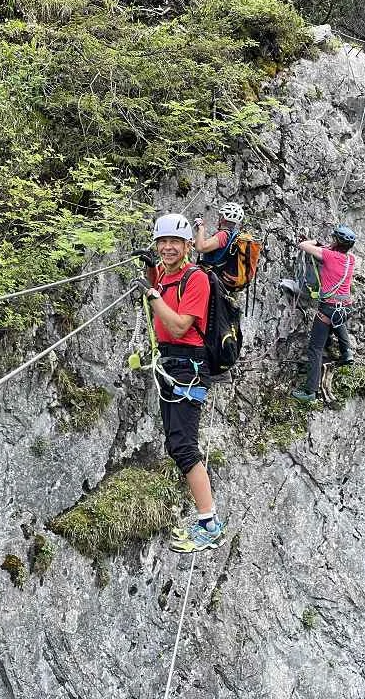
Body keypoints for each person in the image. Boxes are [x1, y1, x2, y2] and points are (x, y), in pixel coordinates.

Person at [133, 213, 226, 553]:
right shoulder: (166, 275)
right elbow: (160, 285)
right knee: (175, 445)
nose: (168, 247)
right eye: (162, 242)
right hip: (171, 365)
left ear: (189, 245)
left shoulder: (196, 279)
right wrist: (149, 274)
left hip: (188, 366)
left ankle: (209, 524)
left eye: (175, 242)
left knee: (185, 447)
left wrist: (151, 295)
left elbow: (177, 326)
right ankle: (206, 520)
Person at [291, 225, 357, 403]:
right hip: (345, 307)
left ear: (336, 241)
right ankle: (346, 353)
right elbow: (330, 250)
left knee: (315, 348)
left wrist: (314, 241)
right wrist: (325, 245)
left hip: (328, 308)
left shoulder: (328, 256)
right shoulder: (351, 259)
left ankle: (310, 391)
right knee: (337, 322)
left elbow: (303, 246)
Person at [193, 201, 245, 268]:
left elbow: (200, 248)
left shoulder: (223, 235)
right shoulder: (232, 235)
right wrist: (195, 243)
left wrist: (201, 227)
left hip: (209, 273)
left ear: (222, 218)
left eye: (220, 216)